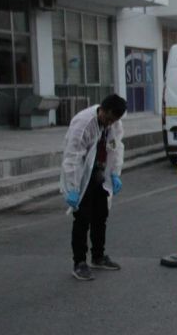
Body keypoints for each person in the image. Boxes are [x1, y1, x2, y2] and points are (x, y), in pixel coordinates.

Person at [60, 94, 127, 281]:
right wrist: (73, 187)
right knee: (82, 218)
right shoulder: (83, 124)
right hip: (81, 174)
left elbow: (115, 147)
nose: (109, 123)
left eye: (113, 120)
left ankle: (98, 256)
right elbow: (72, 157)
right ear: (102, 110)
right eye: (108, 118)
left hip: (99, 171)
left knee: (101, 215)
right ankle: (79, 263)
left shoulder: (114, 124)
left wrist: (115, 172)